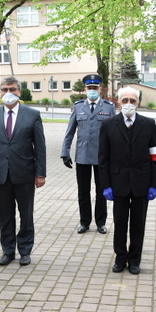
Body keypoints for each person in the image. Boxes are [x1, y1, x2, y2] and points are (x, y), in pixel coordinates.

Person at [0, 76, 47, 266]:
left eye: (12, 89)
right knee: (5, 215)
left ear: (19, 92)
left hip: (25, 173)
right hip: (0, 175)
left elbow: (40, 147)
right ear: (0, 92)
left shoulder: (32, 114)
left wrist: (40, 173)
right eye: (4, 90)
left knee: (26, 215)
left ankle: (25, 250)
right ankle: (7, 250)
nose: (8, 93)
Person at [99, 86, 156, 275]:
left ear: (138, 103)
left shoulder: (149, 124)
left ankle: (135, 260)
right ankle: (120, 258)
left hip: (141, 182)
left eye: (132, 101)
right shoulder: (108, 124)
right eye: (124, 100)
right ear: (118, 102)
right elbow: (103, 158)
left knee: (138, 223)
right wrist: (106, 185)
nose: (128, 104)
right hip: (117, 183)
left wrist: (154, 184)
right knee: (119, 222)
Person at [61, 73, 115, 235]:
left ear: (100, 89)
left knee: (102, 190)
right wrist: (65, 152)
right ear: (85, 89)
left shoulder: (108, 107)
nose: (92, 90)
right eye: (89, 88)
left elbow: (115, 133)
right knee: (83, 191)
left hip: (102, 157)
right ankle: (84, 222)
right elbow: (69, 132)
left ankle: (101, 222)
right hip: (83, 156)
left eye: (95, 88)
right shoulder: (78, 107)